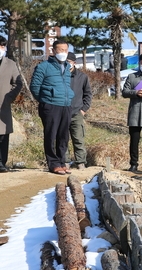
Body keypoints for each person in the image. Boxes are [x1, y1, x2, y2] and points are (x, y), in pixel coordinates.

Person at [30, 39, 75, 175]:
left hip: (66, 105)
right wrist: (45, 100)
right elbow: (35, 86)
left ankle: (62, 162)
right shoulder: (43, 66)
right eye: (60, 50)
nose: (63, 53)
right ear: (54, 51)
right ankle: (53, 164)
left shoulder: (67, 67)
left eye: (65, 50)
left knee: (63, 135)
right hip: (50, 105)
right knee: (51, 135)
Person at [0, 36, 23, 172]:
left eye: (3, 47)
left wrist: (10, 97)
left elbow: (18, 83)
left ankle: (2, 162)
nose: (2, 49)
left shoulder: (11, 64)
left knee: (3, 134)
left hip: (3, 103)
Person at [66, 52, 92, 170]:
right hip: (61, 112)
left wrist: (83, 110)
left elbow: (88, 94)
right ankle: (64, 161)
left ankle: (81, 162)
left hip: (77, 112)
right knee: (62, 138)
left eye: (68, 62)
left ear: (74, 63)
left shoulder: (82, 77)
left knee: (78, 138)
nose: (66, 64)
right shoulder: (59, 75)